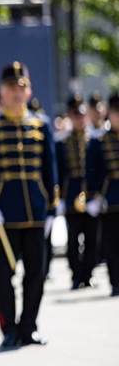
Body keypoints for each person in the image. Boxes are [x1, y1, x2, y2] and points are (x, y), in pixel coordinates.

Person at [0, 61, 58, 348]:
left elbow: (50, 170)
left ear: (28, 90)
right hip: (4, 214)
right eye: (12, 88)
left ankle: (29, 327)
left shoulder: (41, 124)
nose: (17, 93)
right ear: (2, 91)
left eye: (22, 87)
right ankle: (9, 330)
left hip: (35, 212)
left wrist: (52, 209)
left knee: (36, 274)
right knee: (4, 277)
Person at [55, 94, 98, 289]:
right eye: (75, 115)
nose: (80, 119)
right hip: (71, 193)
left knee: (91, 237)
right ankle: (75, 274)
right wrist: (60, 198)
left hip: (89, 193)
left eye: (82, 115)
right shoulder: (62, 142)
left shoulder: (93, 140)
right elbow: (60, 172)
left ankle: (87, 274)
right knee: (73, 239)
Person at [86, 92, 119, 297]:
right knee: (112, 245)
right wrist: (93, 196)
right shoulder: (99, 141)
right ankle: (115, 282)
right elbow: (93, 171)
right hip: (110, 199)